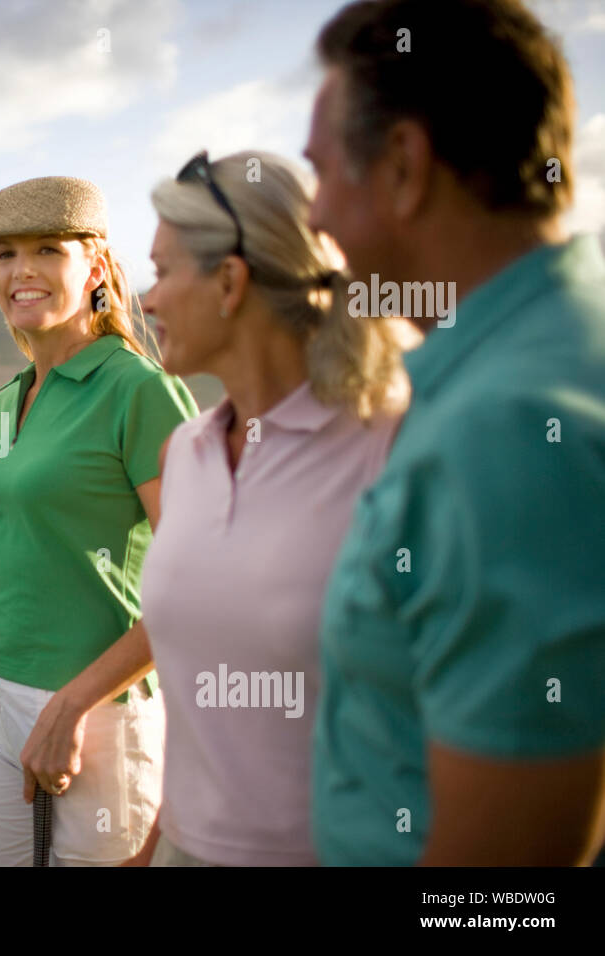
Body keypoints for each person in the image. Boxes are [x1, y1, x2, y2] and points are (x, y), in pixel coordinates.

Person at [306, 0, 605, 865]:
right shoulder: (549, 346)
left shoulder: (507, 432)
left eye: (322, 173)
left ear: (403, 165)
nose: (315, 215)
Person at [130, 150, 412, 867]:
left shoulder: (391, 446)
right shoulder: (187, 453)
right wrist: (158, 845)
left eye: (163, 272)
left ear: (229, 281)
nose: (148, 299)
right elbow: (205, 701)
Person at [0, 175, 198, 866]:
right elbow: (16, 558)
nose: (21, 272)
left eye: (46, 250)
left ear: (93, 264)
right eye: (4, 255)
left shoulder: (140, 391)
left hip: (100, 712)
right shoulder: (5, 401)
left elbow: (198, 587)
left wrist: (74, 703)